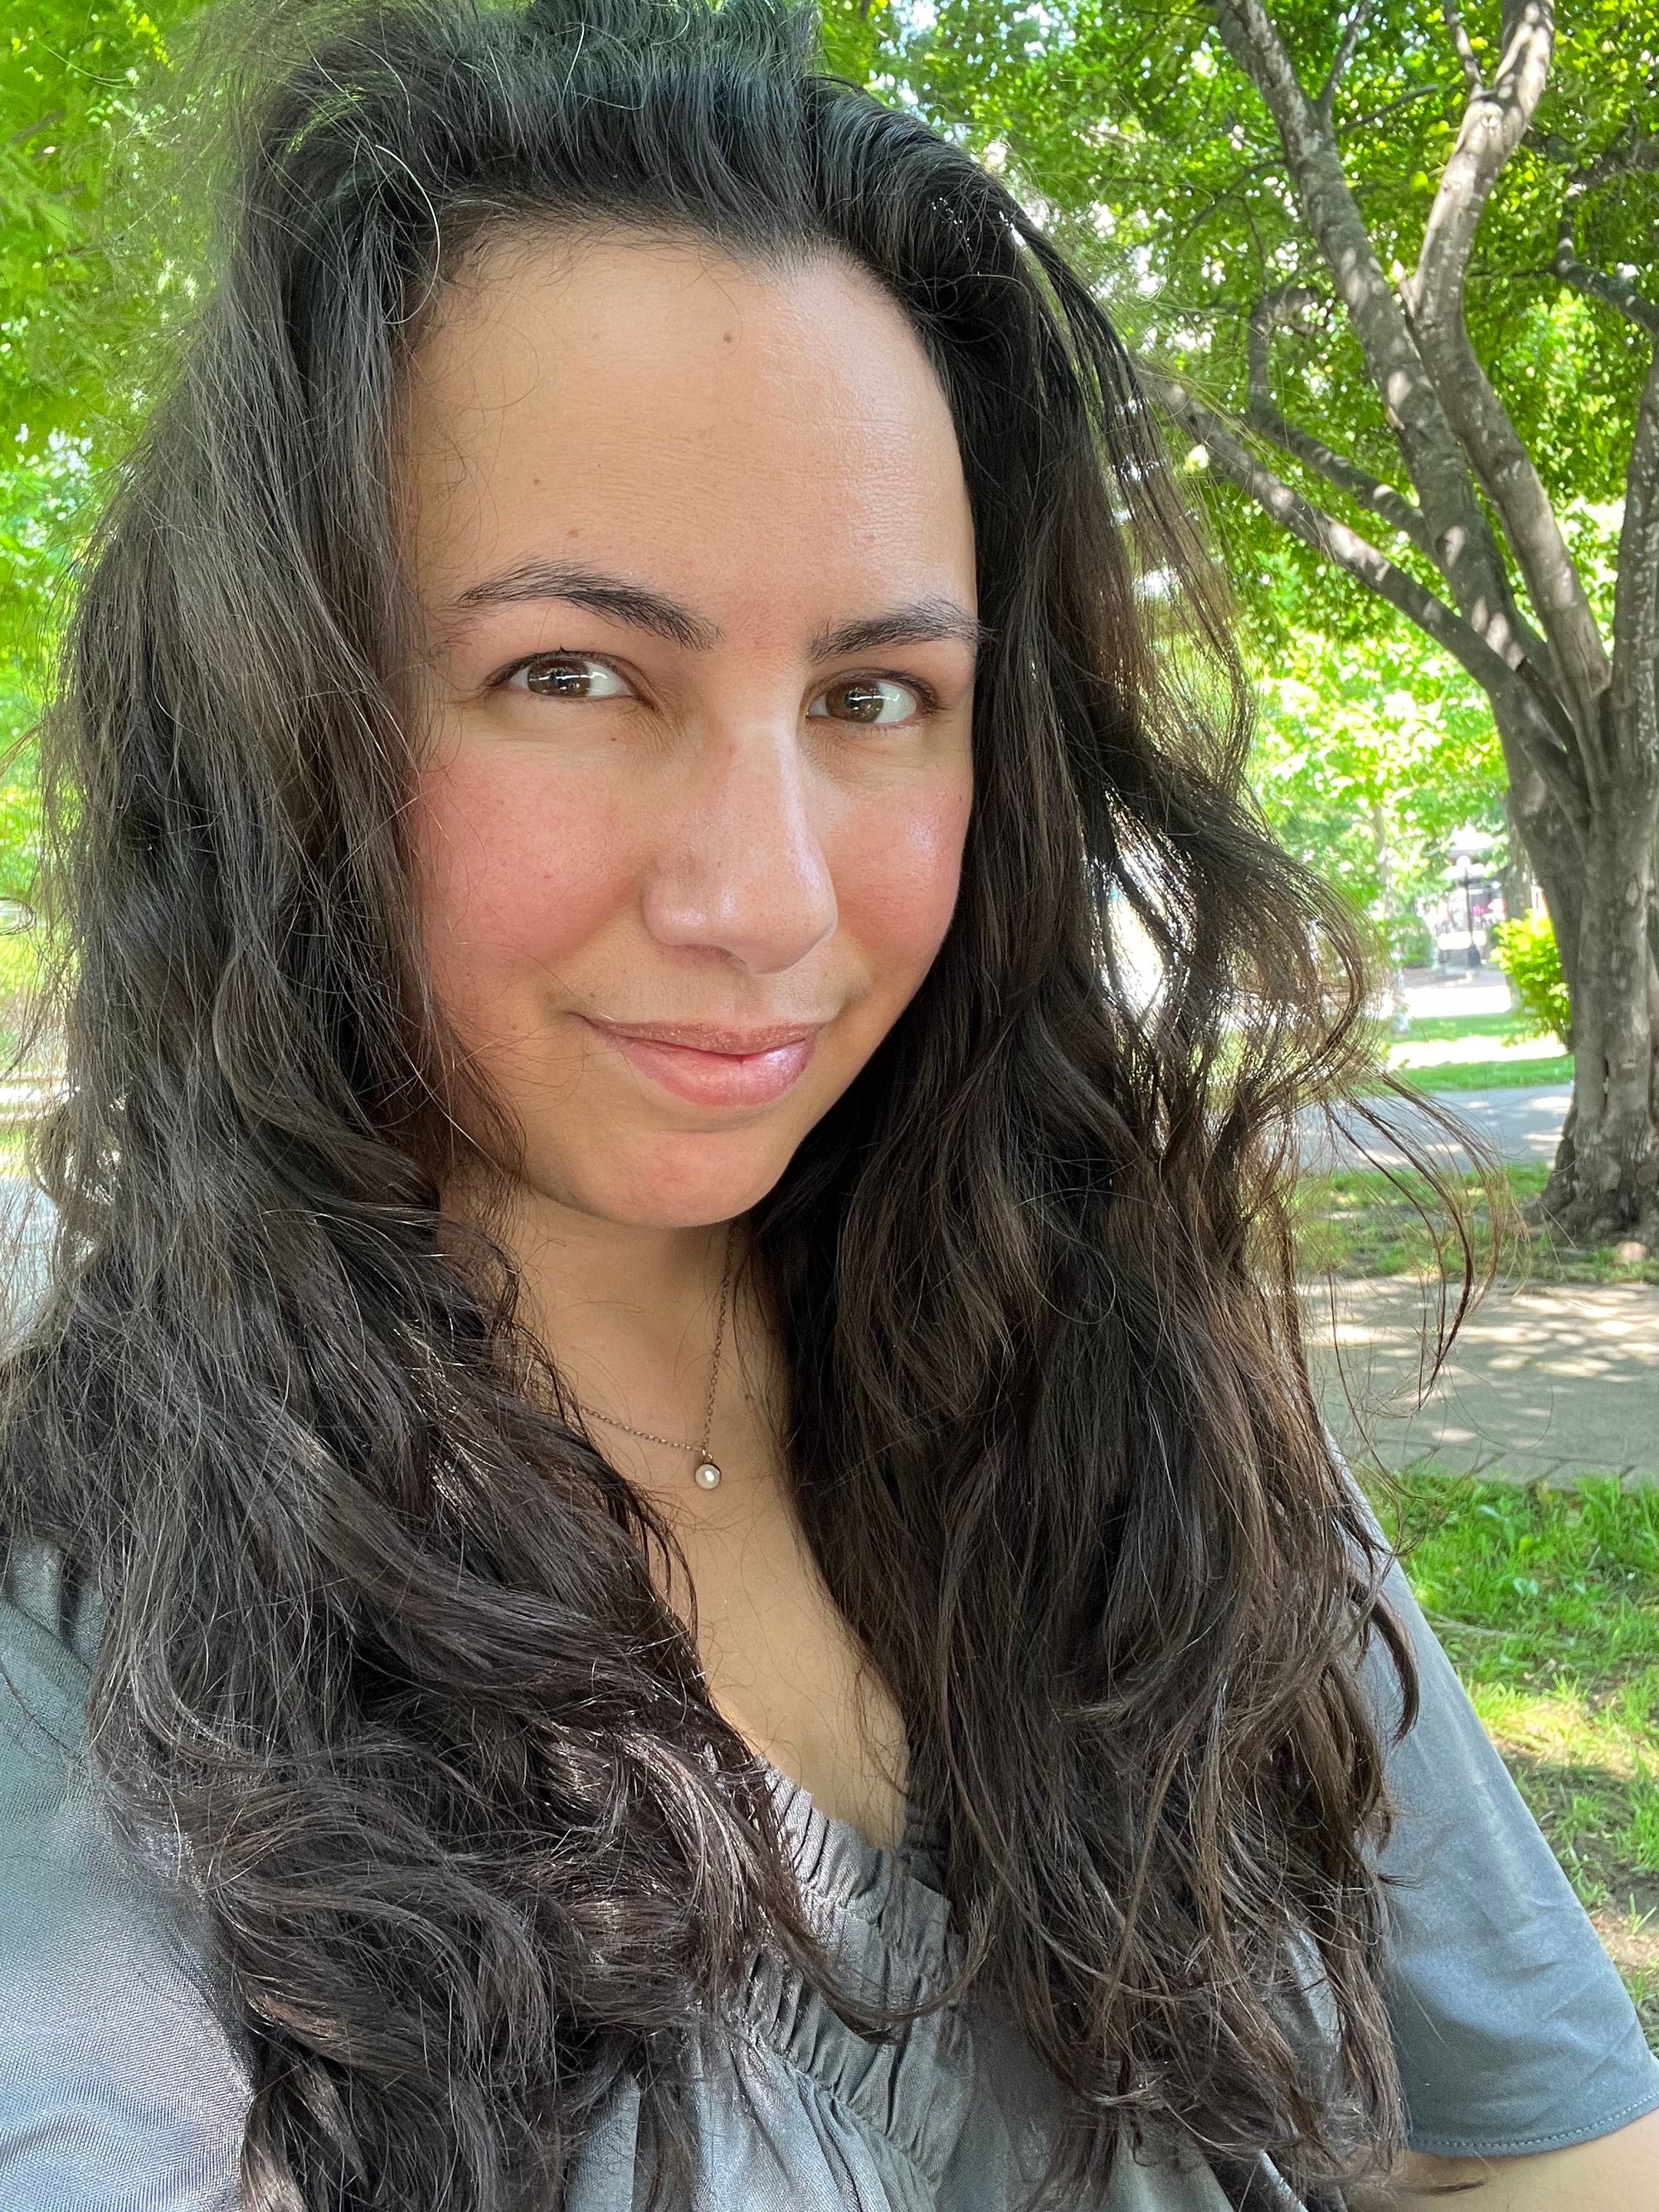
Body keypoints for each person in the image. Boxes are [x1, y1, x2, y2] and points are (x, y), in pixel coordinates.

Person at [0, 1, 1655, 2206]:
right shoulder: (95, 1628)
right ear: (279, 722)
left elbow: (1544, 2134)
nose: (766, 898)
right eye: (573, 674)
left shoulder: (1142, 1405)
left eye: (880, 691)